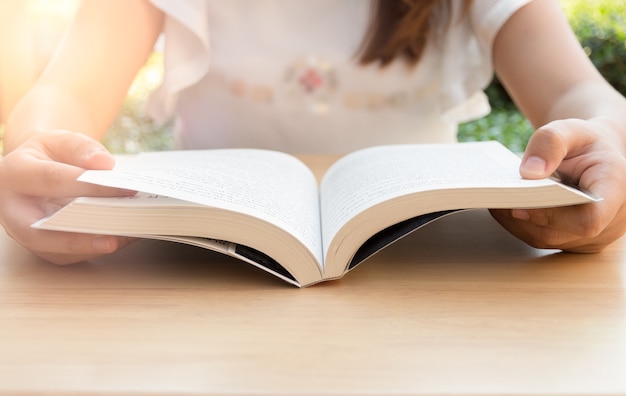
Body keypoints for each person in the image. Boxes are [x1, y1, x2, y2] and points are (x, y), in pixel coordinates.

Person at [0, 0, 625, 265]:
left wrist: (609, 142)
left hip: (427, 267)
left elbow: (583, 94)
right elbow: (67, 91)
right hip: (206, 263)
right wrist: (36, 145)